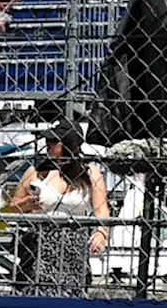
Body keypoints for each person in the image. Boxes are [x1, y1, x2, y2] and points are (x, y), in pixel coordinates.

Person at [6, 126, 108, 294]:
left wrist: (101, 232)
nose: (48, 144)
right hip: (40, 242)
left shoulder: (89, 173)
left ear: (69, 144)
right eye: (47, 140)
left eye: (54, 141)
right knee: (35, 292)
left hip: (74, 243)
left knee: (71, 295)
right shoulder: (36, 172)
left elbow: (101, 208)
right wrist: (26, 204)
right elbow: (12, 206)